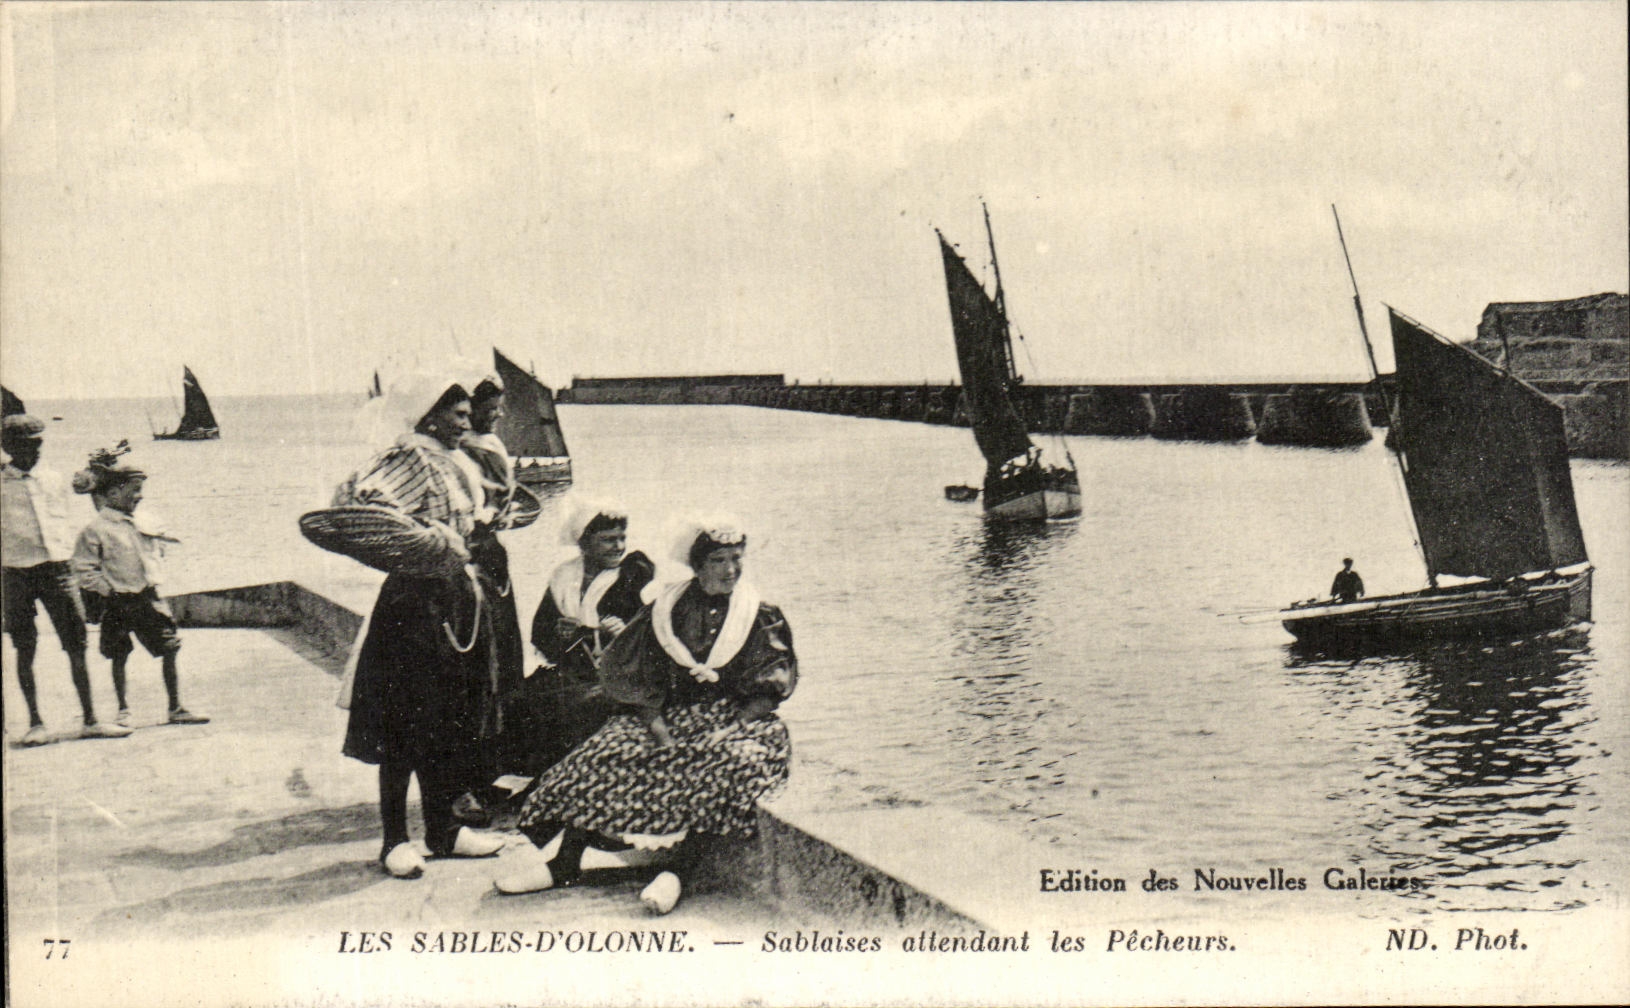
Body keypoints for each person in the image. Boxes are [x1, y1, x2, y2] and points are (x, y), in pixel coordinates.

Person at [496, 517, 796, 915]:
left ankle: (677, 871)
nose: (730, 570)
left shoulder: (758, 613)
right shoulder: (668, 608)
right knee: (599, 755)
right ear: (698, 564)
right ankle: (564, 863)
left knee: (726, 765)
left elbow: (769, 684)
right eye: (719, 560)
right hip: (668, 715)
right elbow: (636, 674)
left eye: (736, 559)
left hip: (738, 720)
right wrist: (657, 727)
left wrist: (730, 729)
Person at [334, 371, 506, 879]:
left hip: (455, 600)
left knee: (449, 723)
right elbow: (360, 501)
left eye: (468, 413)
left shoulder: (454, 460)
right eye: (456, 414)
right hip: (413, 606)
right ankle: (393, 840)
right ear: (429, 414)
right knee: (404, 727)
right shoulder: (410, 455)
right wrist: (424, 537)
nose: (467, 420)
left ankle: (444, 831)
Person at [2, 415, 130, 744]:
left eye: (40, 442)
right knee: (24, 646)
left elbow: (94, 492)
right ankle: (35, 723)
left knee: (77, 643)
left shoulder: (54, 478)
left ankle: (91, 720)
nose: (37, 448)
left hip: (58, 570)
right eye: (29, 443)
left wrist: (101, 472)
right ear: (8, 446)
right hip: (14, 572)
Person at [71, 459, 207, 729]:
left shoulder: (144, 520)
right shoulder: (96, 529)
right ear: (112, 494)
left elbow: (157, 546)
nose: (139, 495)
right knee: (119, 654)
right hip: (118, 601)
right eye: (133, 489)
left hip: (148, 597)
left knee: (170, 648)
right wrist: (107, 590)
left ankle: (175, 707)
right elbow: (84, 568)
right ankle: (123, 710)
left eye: (140, 489)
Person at [524, 500, 655, 775]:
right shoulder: (563, 577)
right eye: (608, 540)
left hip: (616, 673)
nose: (619, 547)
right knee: (523, 699)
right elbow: (540, 632)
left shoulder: (628, 576)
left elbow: (636, 632)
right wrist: (559, 633)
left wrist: (590, 631)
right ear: (583, 543)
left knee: (580, 706)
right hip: (572, 669)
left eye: (622, 538)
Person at [453, 377, 525, 820]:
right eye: (489, 408)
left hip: (491, 563)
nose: (497, 415)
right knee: (478, 674)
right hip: (472, 567)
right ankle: (465, 783)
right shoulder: (467, 452)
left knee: (499, 672)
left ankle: (483, 777)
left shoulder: (484, 446)